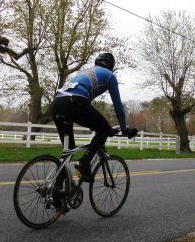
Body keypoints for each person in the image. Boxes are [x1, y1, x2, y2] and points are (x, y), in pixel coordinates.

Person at [52, 52, 137, 184]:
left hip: (57, 103)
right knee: (104, 129)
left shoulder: (84, 72)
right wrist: (124, 128)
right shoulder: (109, 75)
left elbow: (85, 102)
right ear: (111, 66)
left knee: (68, 150)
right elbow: (118, 105)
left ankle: (56, 191)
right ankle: (84, 164)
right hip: (75, 101)